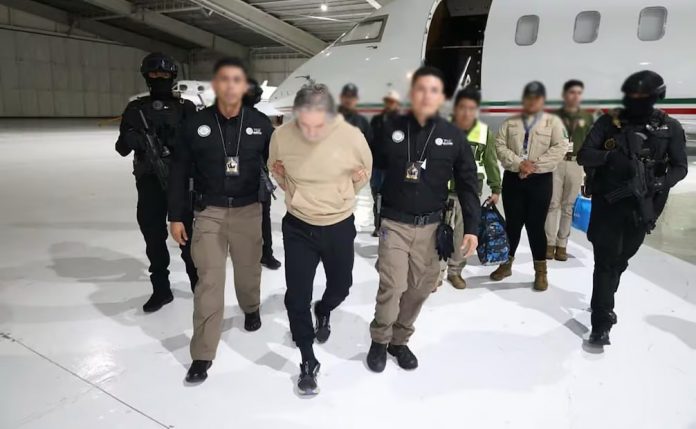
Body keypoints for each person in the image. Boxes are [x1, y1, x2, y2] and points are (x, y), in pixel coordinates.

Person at [366, 67, 480, 373]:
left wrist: (472, 228)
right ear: (411, 94)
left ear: (441, 97)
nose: (426, 96)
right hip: (394, 224)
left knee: (420, 287)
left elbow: (468, 184)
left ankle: (399, 340)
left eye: (433, 90)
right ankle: (380, 339)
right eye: (420, 89)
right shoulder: (389, 129)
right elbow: (362, 159)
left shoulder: (453, 136)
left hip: (431, 228)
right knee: (393, 284)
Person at [169, 57, 273, 383]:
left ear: (243, 87)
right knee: (209, 282)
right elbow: (178, 172)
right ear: (216, 85)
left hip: (249, 211)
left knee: (248, 269)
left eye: (236, 80)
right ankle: (202, 353)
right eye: (224, 79)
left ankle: (251, 307)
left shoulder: (260, 124)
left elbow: (282, 161)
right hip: (209, 213)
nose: (230, 86)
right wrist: (176, 216)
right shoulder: (195, 125)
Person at [269, 84, 372, 395]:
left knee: (342, 286)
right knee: (296, 296)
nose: (312, 133)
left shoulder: (352, 137)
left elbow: (364, 173)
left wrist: (341, 194)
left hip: (338, 224)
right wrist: (297, 193)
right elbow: (276, 170)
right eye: (305, 125)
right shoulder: (281, 136)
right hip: (299, 227)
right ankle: (307, 358)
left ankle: (324, 308)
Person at [577, 70, 687, 346]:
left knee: (622, 259)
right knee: (605, 261)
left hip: (643, 204)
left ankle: (604, 296)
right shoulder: (609, 123)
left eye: (642, 96)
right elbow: (584, 154)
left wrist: (660, 182)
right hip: (608, 203)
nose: (636, 100)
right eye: (632, 95)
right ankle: (601, 321)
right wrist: (610, 158)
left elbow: (680, 167)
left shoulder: (669, 128)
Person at [115, 52, 198, 313]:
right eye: (154, 74)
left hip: (180, 182)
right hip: (149, 183)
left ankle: (199, 286)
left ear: (172, 76)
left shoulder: (185, 108)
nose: (159, 78)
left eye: (164, 74)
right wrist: (133, 139)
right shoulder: (135, 109)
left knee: (188, 238)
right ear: (146, 77)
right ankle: (161, 289)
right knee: (154, 238)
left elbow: (199, 146)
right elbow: (121, 148)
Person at [491, 81, 568, 291]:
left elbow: (560, 147)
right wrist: (519, 163)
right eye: (528, 98)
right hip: (513, 179)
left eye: (537, 98)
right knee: (512, 225)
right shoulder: (510, 123)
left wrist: (533, 166)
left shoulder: (553, 122)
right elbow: (500, 146)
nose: (532, 102)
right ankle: (506, 264)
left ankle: (540, 271)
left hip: (540, 181)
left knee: (536, 226)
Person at [437, 87, 502, 290]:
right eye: (462, 107)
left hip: (469, 195)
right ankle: (436, 273)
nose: (466, 112)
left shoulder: (484, 133)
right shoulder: (442, 129)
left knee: (462, 235)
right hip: (443, 192)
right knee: (438, 233)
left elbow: (490, 162)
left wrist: (496, 188)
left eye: (471, 108)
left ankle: (455, 271)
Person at [544, 80, 595, 261]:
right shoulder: (553, 117)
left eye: (578, 93)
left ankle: (562, 245)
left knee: (568, 207)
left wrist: (589, 172)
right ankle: (549, 244)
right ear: (565, 95)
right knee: (552, 204)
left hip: (576, 163)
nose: (575, 96)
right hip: (556, 163)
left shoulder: (587, 118)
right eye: (572, 92)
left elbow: (590, 144)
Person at [244, 77, 281, 270]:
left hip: (256, 178)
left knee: (261, 217)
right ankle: (265, 254)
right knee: (261, 218)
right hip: (253, 178)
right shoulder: (262, 120)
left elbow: (271, 152)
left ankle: (265, 253)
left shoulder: (261, 121)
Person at [369, 90, 401, 236]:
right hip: (377, 166)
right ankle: (378, 226)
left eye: (392, 102)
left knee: (391, 199)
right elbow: (370, 140)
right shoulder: (377, 120)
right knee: (376, 196)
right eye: (387, 101)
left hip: (392, 168)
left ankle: (389, 228)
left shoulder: (402, 122)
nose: (389, 104)